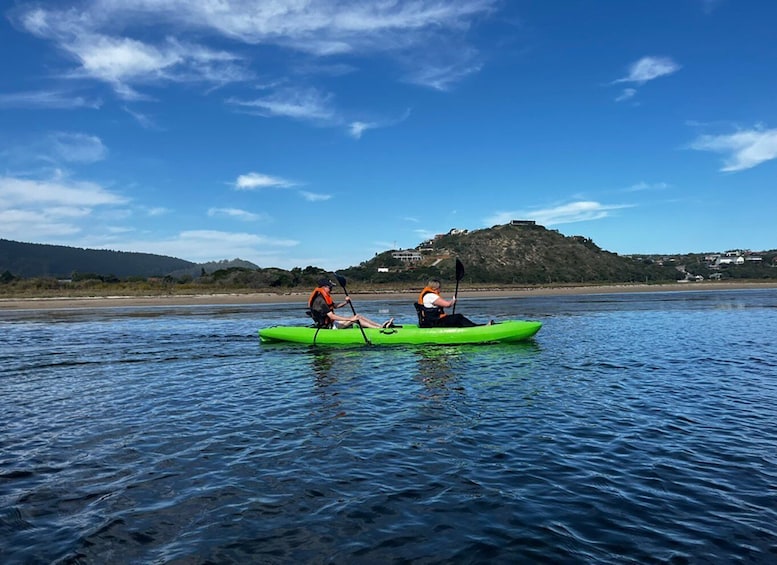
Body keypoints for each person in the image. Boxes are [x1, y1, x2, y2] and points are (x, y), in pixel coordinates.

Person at [308, 278, 393, 329]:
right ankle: (378, 329)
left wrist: (346, 302)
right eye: (330, 287)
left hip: (332, 323)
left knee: (358, 316)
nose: (331, 289)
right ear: (324, 287)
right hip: (328, 327)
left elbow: (334, 306)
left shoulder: (324, 297)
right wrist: (350, 319)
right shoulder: (320, 300)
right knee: (356, 319)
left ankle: (380, 326)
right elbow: (331, 316)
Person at [417, 279, 489, 328]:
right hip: (434, 322)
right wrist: (453, 301)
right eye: (440, 288)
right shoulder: (431, 296)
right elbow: (447, 305)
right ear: (436, 288)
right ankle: (475, 328)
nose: (440, 289)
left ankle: (473, 326)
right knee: (458, 317)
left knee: (454, 318)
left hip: (431, 320)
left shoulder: (427, 295)